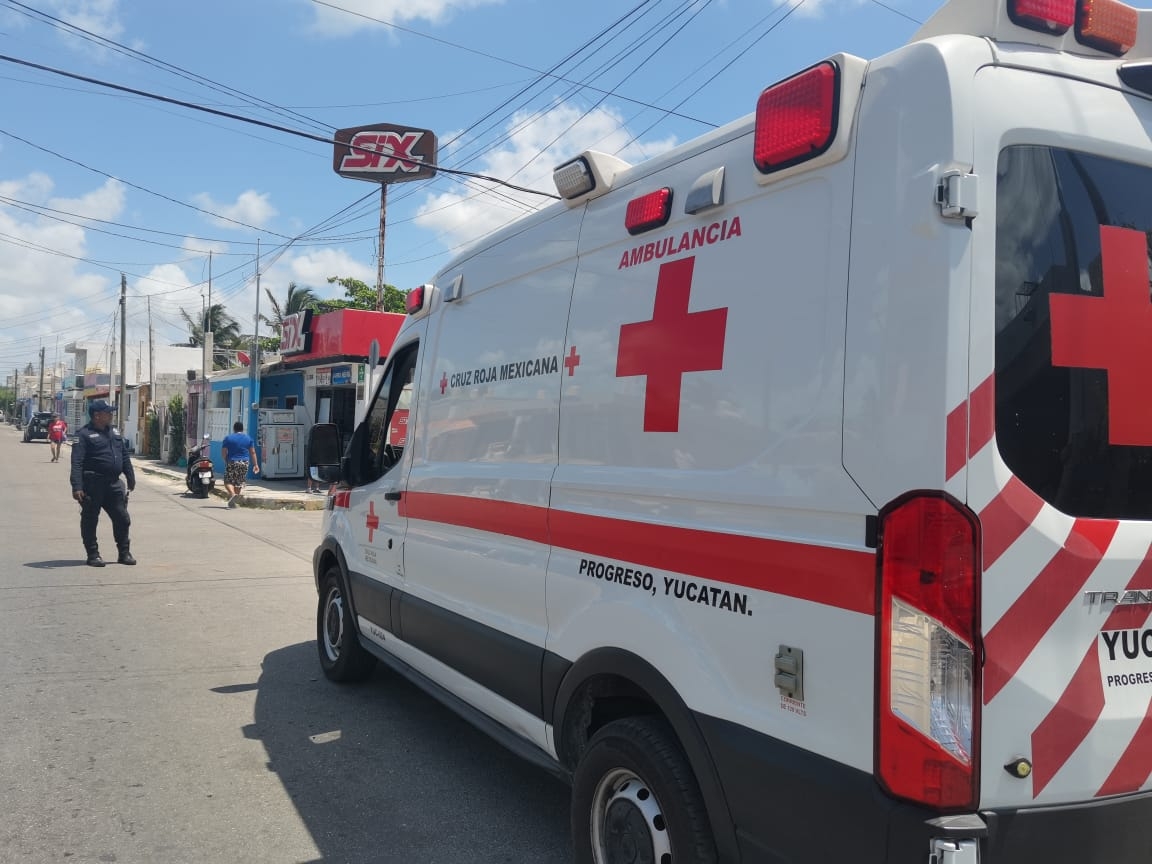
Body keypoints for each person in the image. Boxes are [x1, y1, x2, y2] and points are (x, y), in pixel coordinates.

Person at [70, 400, 135, 567]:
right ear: (97, 415)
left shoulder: (114, 431)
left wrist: (130, 475)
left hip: (114, 484)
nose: (111, 415)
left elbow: (124, 455)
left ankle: (124, 553)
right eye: (108, 412)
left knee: (122, 518)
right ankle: (93, 554)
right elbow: (76, 462)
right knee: (90, 520)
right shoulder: (83, 434)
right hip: (93, 484)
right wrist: (77, 486)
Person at [221, 420, 259, 508]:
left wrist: (226, 460)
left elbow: (223, 453)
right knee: (239, 482)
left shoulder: (228, 438)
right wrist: (256, 465)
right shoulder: (248, 438)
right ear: (242, 429)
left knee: (228, 480)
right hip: (244, 462)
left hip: (232, 461)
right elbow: (253, 452)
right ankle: (233, 501)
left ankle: (232, 493)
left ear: (234, 429)